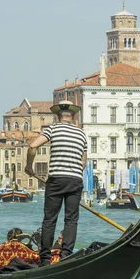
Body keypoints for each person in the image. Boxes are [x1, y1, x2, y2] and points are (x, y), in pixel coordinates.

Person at [25, 100, 87, 266]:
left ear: (58, 115)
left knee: (50, 220)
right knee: (71, 220)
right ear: (73, 116)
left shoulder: (52, 129)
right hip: (75, 180)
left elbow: (32, 147)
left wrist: (29, 166)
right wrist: (73, 171)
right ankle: (66, 257)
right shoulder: (82, 134)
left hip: (56, 180)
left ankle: (45, 259)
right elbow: (83, 163)